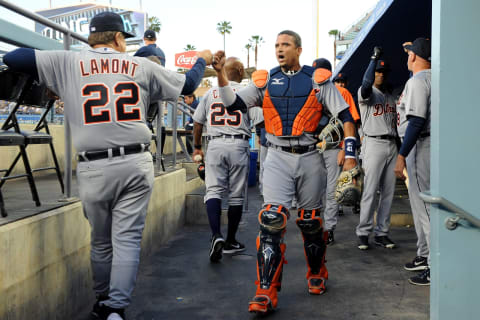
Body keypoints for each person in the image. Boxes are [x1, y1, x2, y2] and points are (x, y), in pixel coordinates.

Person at [3, 11, 213, 320]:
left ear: (91, 37)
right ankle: (115, 308)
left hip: (93, 165)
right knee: (126, 239)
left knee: (100, 241)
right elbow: (189, 85)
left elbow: (15, 56)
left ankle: (101, 302)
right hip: (134, 160)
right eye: (123, 40)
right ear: (117, 38)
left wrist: (59, 74)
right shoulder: (141, 64)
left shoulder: (68, 62)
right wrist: (201, 59)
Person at [212, 30, 358, 314]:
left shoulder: (317, 80)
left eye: (286, 45)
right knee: (271, 219)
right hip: (277, 155)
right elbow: (232, 103)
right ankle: (266, 290)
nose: (280, 49)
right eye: (277, 44)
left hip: (310, 155)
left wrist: (350, 155)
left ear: (298, 50)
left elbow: (346, 117)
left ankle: (317, 271)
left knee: (310, 221)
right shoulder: (264, 82)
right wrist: (220, 74)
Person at [192, 57, 263, 262]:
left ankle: (216, 235)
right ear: (239, 70)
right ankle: (231, 240)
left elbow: (197, 123)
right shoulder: (247, 91)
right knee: (236, 196)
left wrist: (197, 146)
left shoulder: (210, 93)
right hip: (239, 143)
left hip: (215, 143)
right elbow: (260, 120)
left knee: (213, 190)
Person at [394, 38, 431, 286]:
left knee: (426, 208)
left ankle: (436, 265)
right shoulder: (435, 77)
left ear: (415, 57)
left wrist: (401, 155)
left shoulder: (418, 80)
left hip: (422, 144)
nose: (407, 56)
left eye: (409, 53)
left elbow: (416, 121)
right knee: (421, 208)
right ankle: (425, 255)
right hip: (428, 144)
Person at [312, 58, 360, 245]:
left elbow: (351, 121)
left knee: (331, 190)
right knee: (314, 190)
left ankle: (328, 228)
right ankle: (316, 226)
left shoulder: (341, 92)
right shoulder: (309, 91)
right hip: (313, 147)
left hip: (333, 148)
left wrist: (344, 149)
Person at [355, 47, 398, 250]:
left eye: (382, 72)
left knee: (388, 193)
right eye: (377, 72)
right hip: (373, 143)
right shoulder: (367, 92)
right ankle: (363, 233)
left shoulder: (390, 96)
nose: (379, 75)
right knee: (370, 191)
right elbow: (365, 84)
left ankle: (382, 233)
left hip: (391, 144)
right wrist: (373, 59)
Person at [332, 72, 362, 215]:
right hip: (340, 143)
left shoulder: (341, 94)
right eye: (338, 81)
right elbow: (353, 120)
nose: (341, 84)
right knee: (348, 175)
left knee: (345, 176)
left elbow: (354, 120)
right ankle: (344, 205)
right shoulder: (341, 94)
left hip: (340, 143)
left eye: (342, 81)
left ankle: (349, 204)